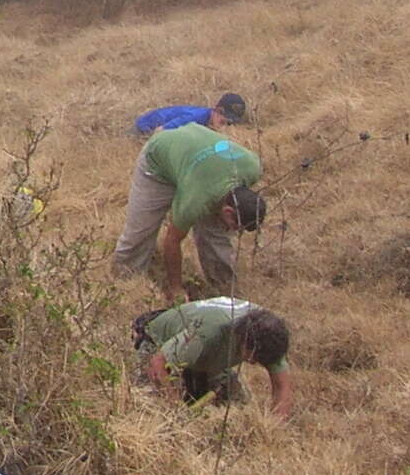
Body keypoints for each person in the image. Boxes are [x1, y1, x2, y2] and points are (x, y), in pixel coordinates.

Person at [112, 122, 265, 304]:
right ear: (228, 210)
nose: (235, 231)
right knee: (139, 233)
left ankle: (225, 292)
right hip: (158, 162)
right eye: (235, 226)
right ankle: (124, 285)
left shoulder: (253, 168)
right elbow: (172, 241)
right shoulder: (195, 200)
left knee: (216, 234)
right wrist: (176, 288)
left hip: (196, 163)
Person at [134, 298, 295, 419]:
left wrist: (275, 428)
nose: (253, 362)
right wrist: (175, 409)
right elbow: (157, 363)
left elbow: (282, 386)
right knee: (152, 406)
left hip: (210, 358)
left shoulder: (269, 334)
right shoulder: (207, 332)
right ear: (243, 339)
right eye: (253, 357)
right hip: (158, 343)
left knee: (239, 406)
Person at [134, 92, 247, 136]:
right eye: (223, 122)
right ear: (217, 111)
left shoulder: (208, 121)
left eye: (228, 125)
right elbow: (160, 131)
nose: (224, 127)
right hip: (145, 127)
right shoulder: (195, 118)